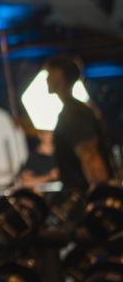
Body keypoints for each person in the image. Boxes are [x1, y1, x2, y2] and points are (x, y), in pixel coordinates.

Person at [45, 54, 116, 196]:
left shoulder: (75, 113)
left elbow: (90, 156)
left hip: (83, 201)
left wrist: (99, 201)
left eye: (49, 74)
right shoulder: (72, 111)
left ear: (59, 75)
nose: (46, 79)